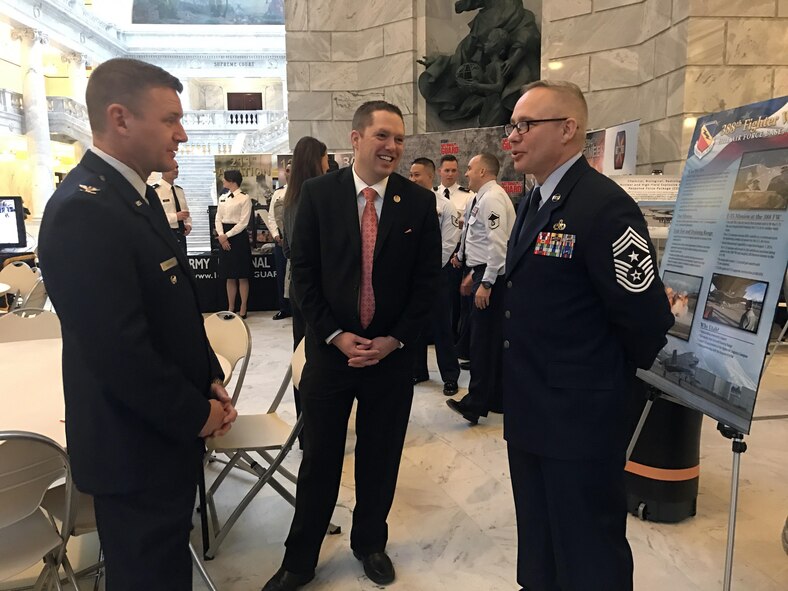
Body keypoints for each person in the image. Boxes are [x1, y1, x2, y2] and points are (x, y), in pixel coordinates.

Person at [37, 57, 237, 591]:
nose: (183, 133)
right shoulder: (85, 210)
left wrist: (208, 377)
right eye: (170, 119)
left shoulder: (135, 196)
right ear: (121, 118)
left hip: (157, 437)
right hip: (132, 447)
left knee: (167, 564)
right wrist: (195, 412)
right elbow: (119, 352)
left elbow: (171, 310)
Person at [261, 101, 440, 591]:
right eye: (383, 136)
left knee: (381, 456)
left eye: (400, 139)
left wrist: (394, 339)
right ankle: (300, 559)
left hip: (390, 357)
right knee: (319, 458)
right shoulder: (318, 196)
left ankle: (370, 544)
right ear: (356, 138)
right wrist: (336, 337)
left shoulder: (418, 203)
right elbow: (304, 277)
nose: (393, 147)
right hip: (330, 353)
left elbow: (427, 284)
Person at [502, 80, 674, 591]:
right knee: (540, 540)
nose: (513, 136)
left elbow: (644, 319)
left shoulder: (604, 206)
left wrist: (600, 388)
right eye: (513, 125)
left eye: (526, 125)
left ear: (568, 129)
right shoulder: (537, 200)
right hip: (532, 407)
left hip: (580, 418)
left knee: (589, 549)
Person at [446, 153, 514, 424]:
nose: (467, 174)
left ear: (483, 170)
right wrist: (469, 266)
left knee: (482, 343)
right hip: (482, 271)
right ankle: (497, 398)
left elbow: (499, 245)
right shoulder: (481, 197)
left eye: (471, 169)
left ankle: (474, 404)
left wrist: (486, 281)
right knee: (488, 340)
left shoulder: (493, 198)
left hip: (491, 276)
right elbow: (476, 239)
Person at [280, 136, 329, 427]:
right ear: (316, 160)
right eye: (325, 157)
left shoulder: (290, 197)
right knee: (316, 356)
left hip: (297, 286)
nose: (328, 163)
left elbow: (288, 248)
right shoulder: (317, 196)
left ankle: (304, 423)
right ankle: (315, 422)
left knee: (301, 350)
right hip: (317, 287)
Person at [409, 157, 461, 395]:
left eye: (417, 174)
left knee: (442, 327)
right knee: (414, 324)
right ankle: (418, 370)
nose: (413, 179)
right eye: (410, 175)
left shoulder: (444, 205)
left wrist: (427, 269)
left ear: (430, 176)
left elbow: (449, 242)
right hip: (411, 276)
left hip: (437, 275)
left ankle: (450, 376)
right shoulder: (404, 203)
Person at [437, 154, 474, 353]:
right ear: (439, 171)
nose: (450, 174)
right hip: (436, 252)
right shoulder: (432, 195)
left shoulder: (468, 196)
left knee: (456, 299)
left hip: (459, 253)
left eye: (454, 170)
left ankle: (454, 337)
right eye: (446, 170)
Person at [215, 169, 252, 318]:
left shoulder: (244, 198)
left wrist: (227, 235)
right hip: (224, 235)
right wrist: (221, 235)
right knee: (229, 275)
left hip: (238, 237)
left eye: (224, 179)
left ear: (232, 181)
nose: (222, 181)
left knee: (242, 274)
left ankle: (243, 306)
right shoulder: (222, 197)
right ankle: (231, 307)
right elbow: (218, 218)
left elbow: (243, 222)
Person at [269, 161, 292, 320]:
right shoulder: (278, 193)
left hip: (296, 241)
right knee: (281, 274)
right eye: (287, 170)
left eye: (292, 170)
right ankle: (284, 307)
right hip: (280, 240)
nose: (289, 173)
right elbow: (271, 216)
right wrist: (277, 235)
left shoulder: (304, 190)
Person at [153, 162, 191, 254]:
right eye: (172, 168)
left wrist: (188, 224)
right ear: (162, 170)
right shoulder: (155, 190)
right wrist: (175, 217)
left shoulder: (179, 190)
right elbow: (154, 216)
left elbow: (186, 212)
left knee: (182, 264)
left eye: (177, 167)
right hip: (165, 234)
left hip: (181, 234)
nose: (176, 170)